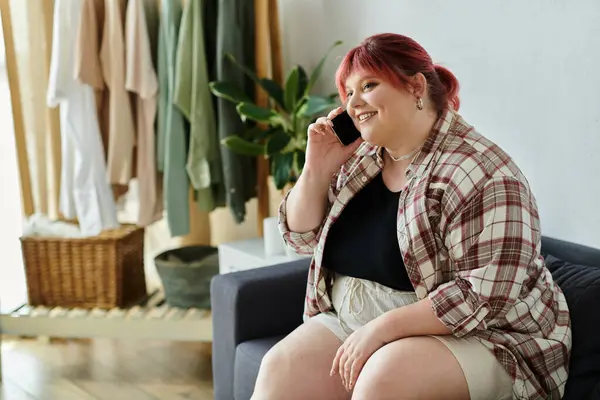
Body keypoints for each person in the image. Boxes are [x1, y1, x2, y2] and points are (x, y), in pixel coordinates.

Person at [251, 33, 571, 400]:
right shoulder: (360, 157)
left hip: (484, 335)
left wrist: (383, 330)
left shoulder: (483, 172)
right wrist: (316, 168)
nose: (354, 103)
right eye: (348, 93)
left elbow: (481, 297)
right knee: (279, 369)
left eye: (368, 85)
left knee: (383, 380)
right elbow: (300, 238)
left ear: (416, 86)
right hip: (357, 319)